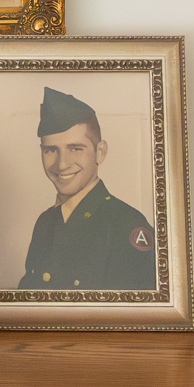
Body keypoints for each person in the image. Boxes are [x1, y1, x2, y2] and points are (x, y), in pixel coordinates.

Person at [17, 87, 156, 292]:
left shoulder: (126, 225)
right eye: (51, 150)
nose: (62, 164)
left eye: (75, 149)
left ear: (100, 152)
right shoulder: (45, 222)